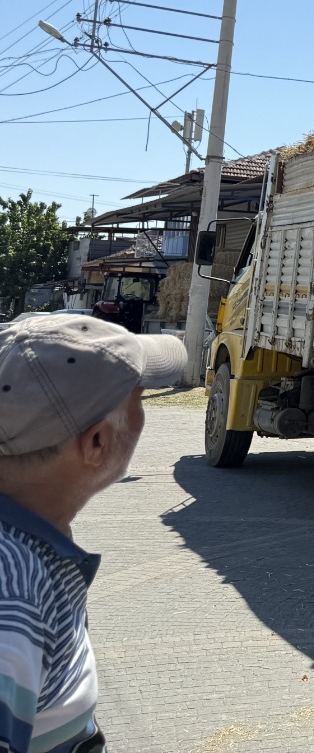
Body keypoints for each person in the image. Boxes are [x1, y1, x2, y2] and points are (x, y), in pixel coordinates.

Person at [0, 314, 184, 752]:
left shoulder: (29, 552)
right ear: (97, 441)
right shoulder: (13, 593)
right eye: (139, 398)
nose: (143, 416)